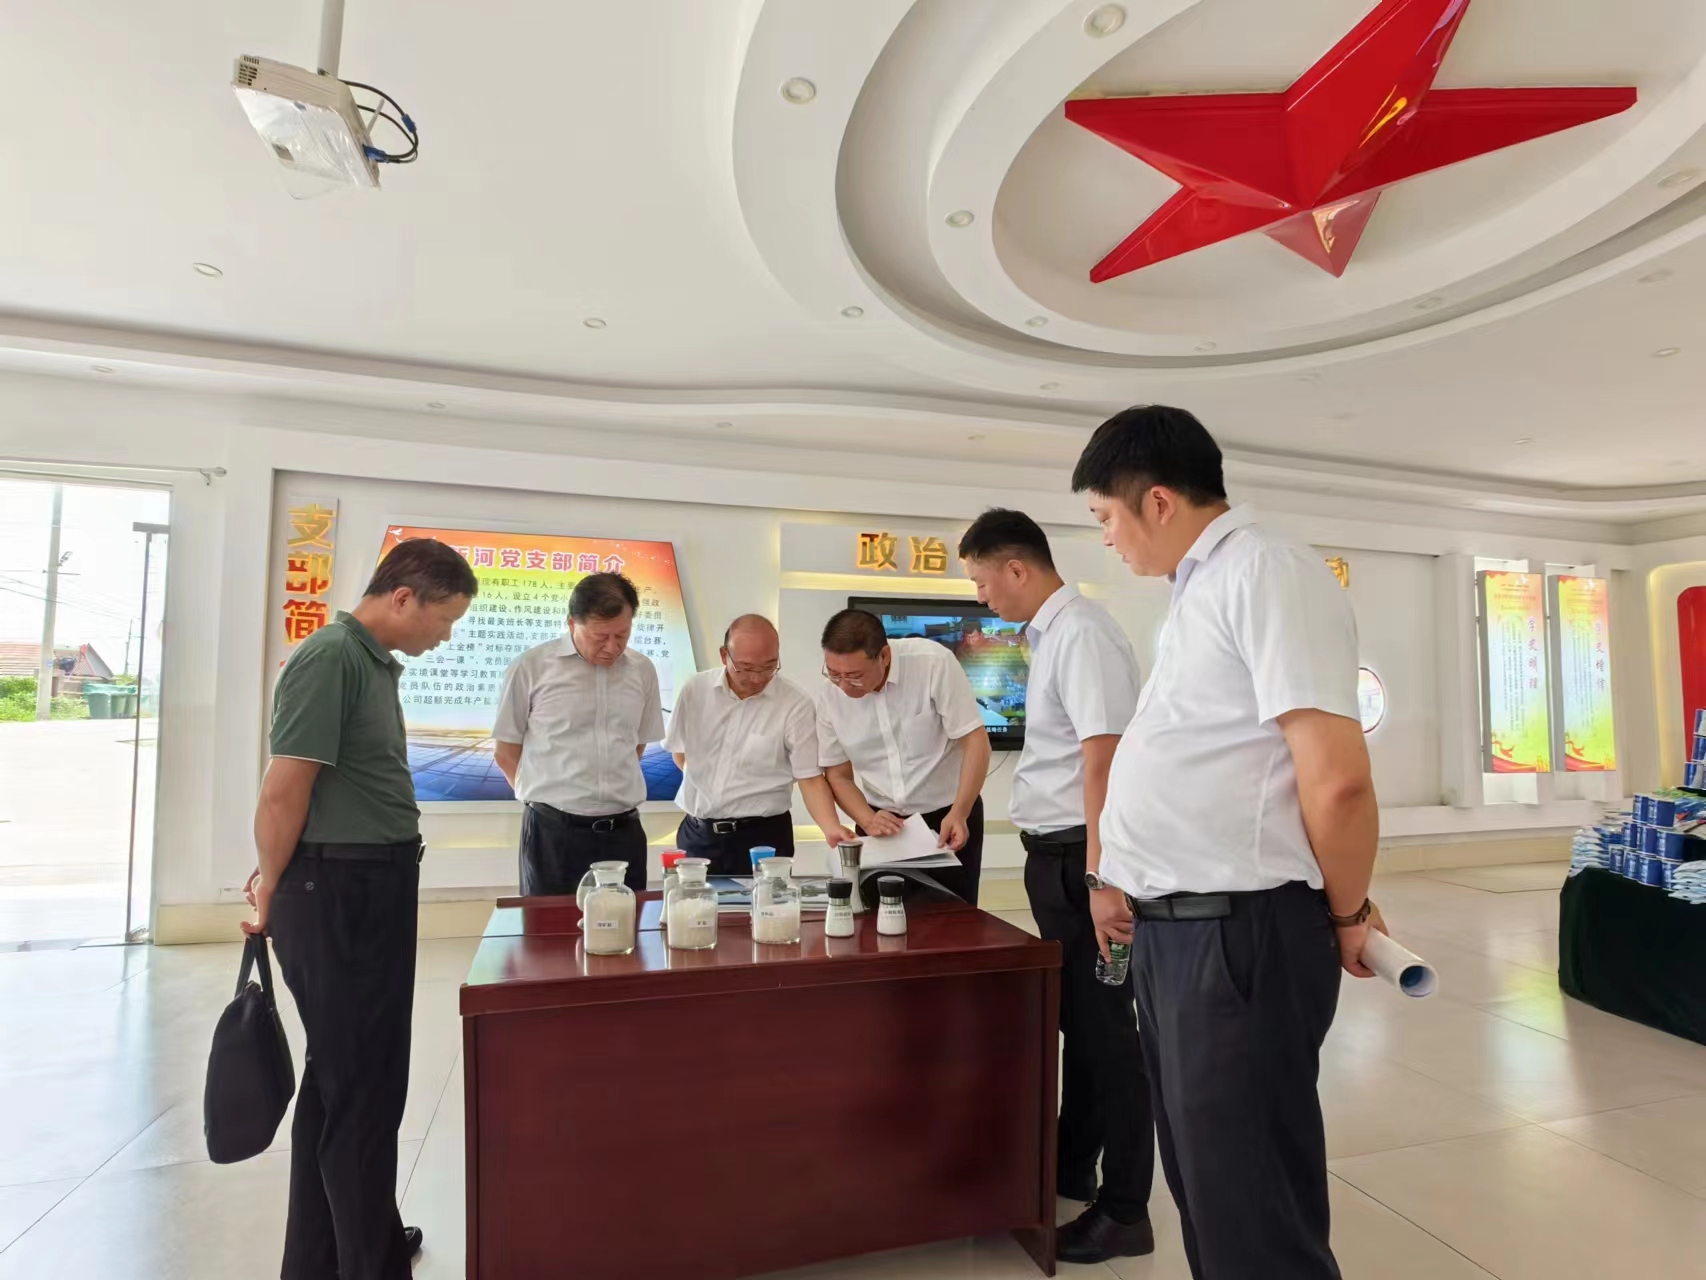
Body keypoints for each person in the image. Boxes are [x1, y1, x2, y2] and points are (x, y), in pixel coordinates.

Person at [1073, 406, 1384, 1280]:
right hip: (1180, 932)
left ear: (1158, 501)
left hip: (1237, 934)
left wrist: (1349, 912)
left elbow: (1337, 778)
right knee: (1207, 1185)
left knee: (1250, 1201)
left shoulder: (1267, 571)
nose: (1106, 538)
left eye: (1104, 516)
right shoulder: (1199, 590)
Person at [243, 537, 477, 1280]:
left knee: (344, 1081)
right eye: (445, 618)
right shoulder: (331, 657)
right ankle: (369, 1263)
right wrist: (271, 882)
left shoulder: (371, 662)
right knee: (361, 1090)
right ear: (404, 597)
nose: (446, 636)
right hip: (336, 890)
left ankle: (323, 1258)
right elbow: (284, 789)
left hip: (368, 885)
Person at [959, 508, 1156, 1264]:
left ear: (1017, 568)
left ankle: (1127, 1208)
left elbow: (1104, 761)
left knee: (1111, 1038)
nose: (982, 599)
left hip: (1083, 862)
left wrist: (1104, 877)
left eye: (983, 582)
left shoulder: (1082, 634)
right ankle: (1074, 1164)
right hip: (1058, 859)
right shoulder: (1050, 635)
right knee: (1080, 1022)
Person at [493, 572, 663, 894]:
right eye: (600, 636)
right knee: (548, 924)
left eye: (622, 635)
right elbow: (506, 752)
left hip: (623, 834)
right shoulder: (531, 667)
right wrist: (546, 801)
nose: (612, 647)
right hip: (553, 834)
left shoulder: (642, 670)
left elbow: (635, 746)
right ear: (572, 624)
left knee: (624, 922)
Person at [816, 608, 991, 904]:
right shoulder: (829, 695)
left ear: (884, 656)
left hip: (948, 817)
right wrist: (867, 819)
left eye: (855, 676)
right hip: (879, 823)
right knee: (878, 919)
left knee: (954, 918)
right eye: (834, 674)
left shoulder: (932, 663)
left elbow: (975, 741)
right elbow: (838, 775)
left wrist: (960, 811)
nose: (844, 686)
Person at [667, 614, 854, 874]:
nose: (757, 678)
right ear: (724, 655)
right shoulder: (695, 690)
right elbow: (680, 753)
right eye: (745, 668)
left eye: (768, 667)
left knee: (768, 901)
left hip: (764, 838)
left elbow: (810, 778)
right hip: (698, 835)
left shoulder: (795, 704)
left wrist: (831, 827)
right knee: (693, 899)